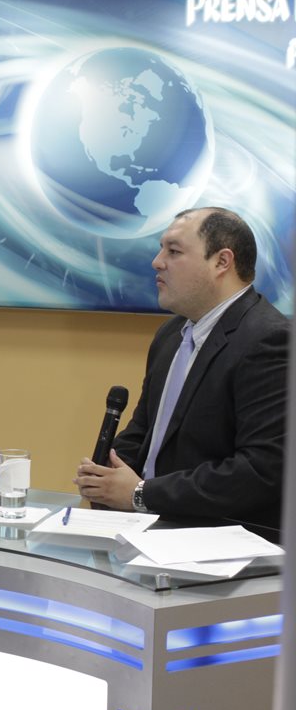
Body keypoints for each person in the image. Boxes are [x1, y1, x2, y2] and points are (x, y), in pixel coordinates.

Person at [74, 207, 288, 528]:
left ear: (221, 262)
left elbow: (261, 470)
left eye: (173, 251)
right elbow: (144, 433)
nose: (157, 262)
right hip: (148, 528)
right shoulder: (171, 334)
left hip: (225, 543)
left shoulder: (270, 340)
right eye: (161, 249)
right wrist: (107, 475)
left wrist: (140, 494)